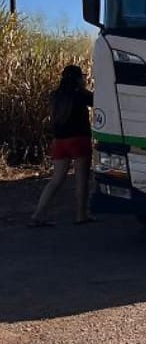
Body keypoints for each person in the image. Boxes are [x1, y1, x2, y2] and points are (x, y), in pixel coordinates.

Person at [28, 65, 95, 226]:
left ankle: (37, 215)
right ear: (78, 78)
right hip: (79, 140)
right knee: (81, 179)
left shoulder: (56, 96)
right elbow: (97, 102)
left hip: (59, 142)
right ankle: (81, 215)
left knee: (55, 180)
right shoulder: (81, 95)